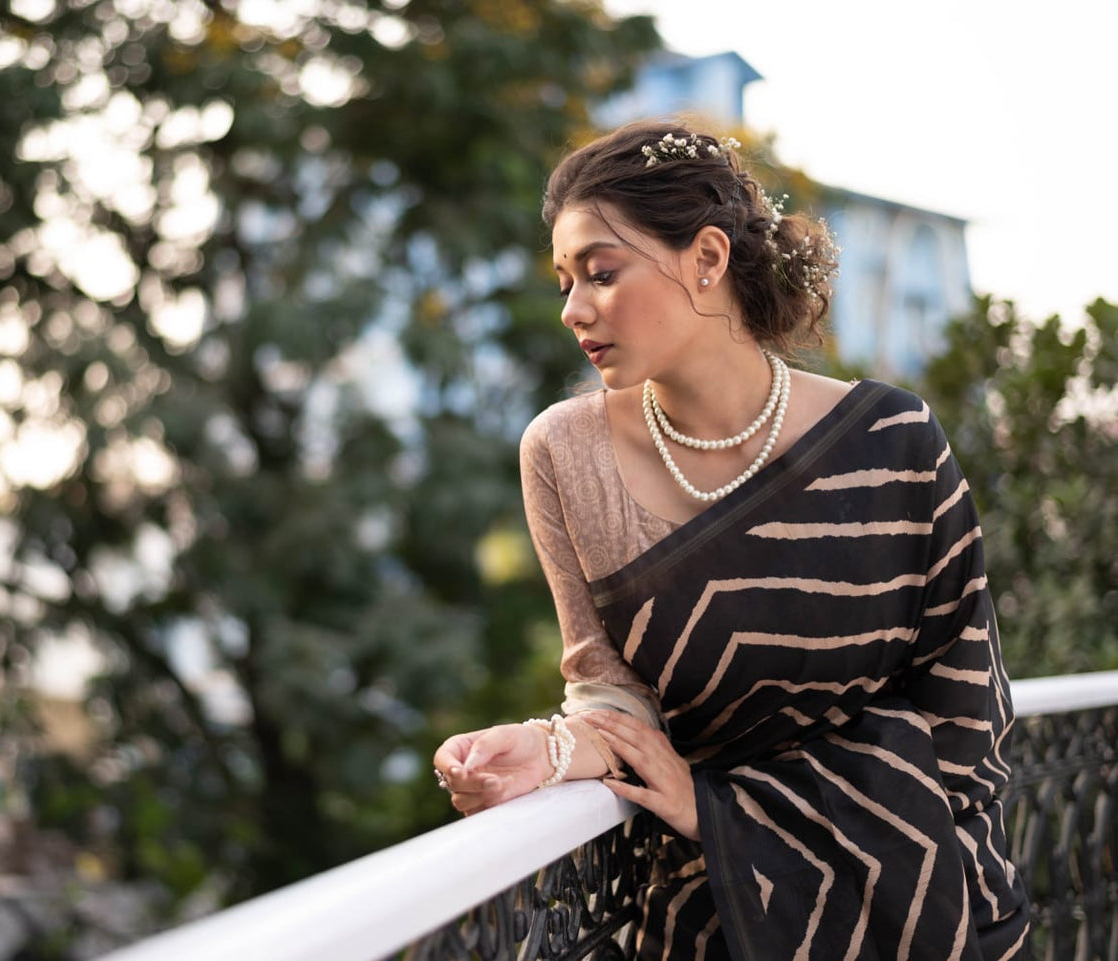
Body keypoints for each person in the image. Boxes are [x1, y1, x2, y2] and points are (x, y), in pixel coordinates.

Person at [433, 120, 1031, 960]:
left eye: (600, 273)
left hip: (935, 905)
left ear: (706, 258)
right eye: (564, 282)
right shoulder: (564, 453)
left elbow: (966, 717)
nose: (572, 309)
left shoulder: (893, 438)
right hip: (705, 917)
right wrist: (548, 748)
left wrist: (723, 809)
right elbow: (610, 692)